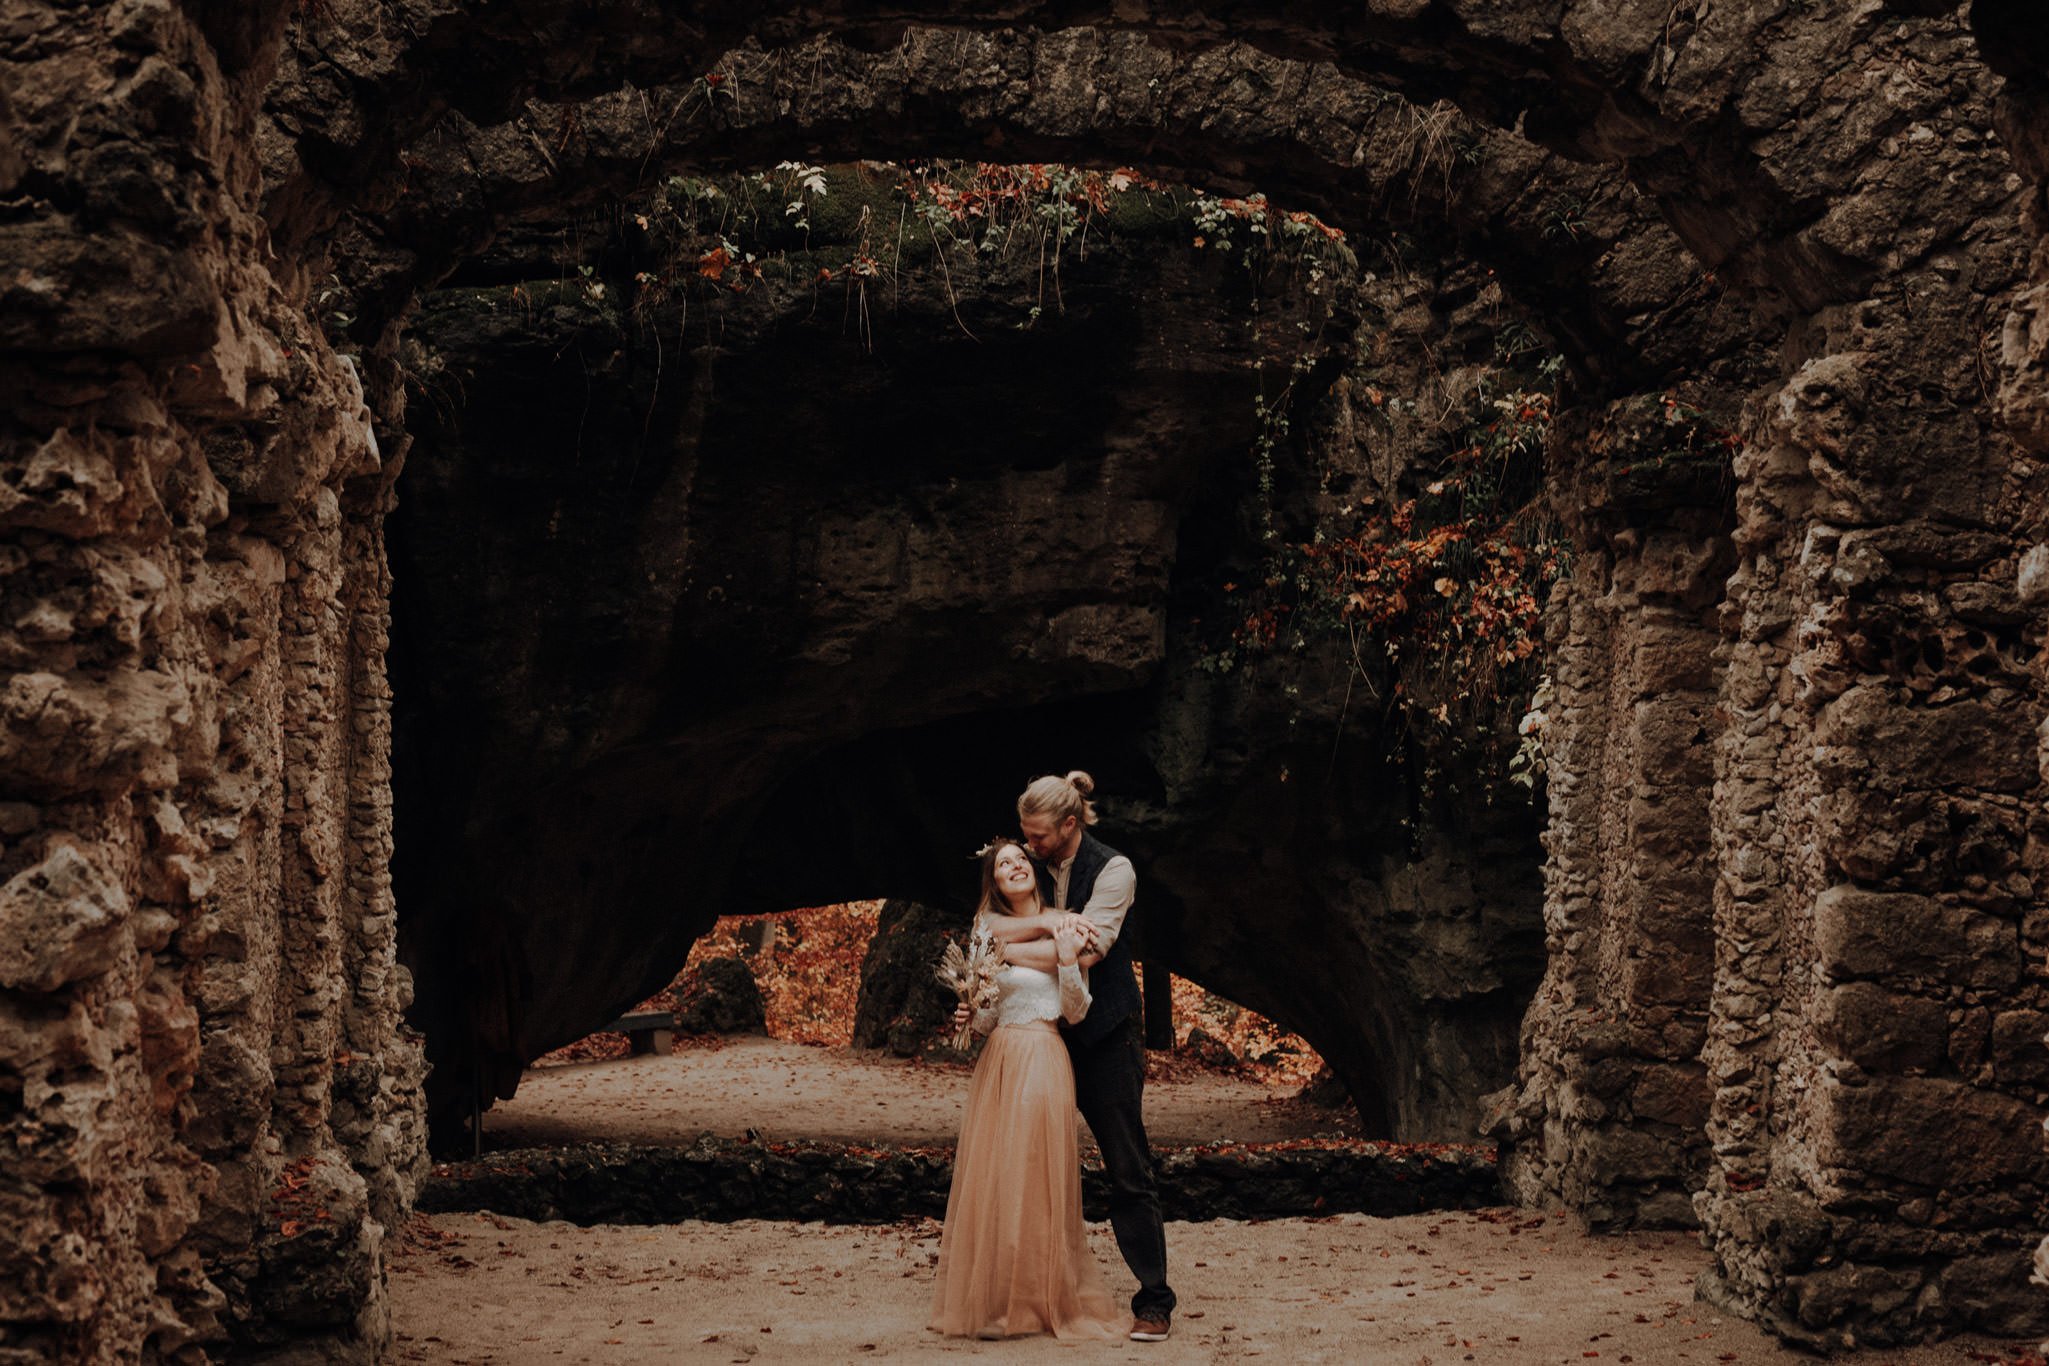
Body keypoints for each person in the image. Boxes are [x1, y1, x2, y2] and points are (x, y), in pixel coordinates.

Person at [982, 770, 1176, 1343]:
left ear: (1069, 825)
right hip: (1040, 1039)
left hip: (1106, 1037)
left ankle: (1155, 1302)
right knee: (1026, 1169)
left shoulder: (1115, 870)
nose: (1029, 847)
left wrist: (1013, 947)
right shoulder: (1030, 868)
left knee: (1127, 1168)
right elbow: (986, 922)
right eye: (1025, 836)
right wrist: (1046, 923)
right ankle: (1031, 1298)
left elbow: (1089, 951)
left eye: (1038, 836)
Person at [927, 839, 1126, 1342]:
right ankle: (997, 1300)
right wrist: (972, 1015)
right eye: (1001, 865)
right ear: (993, 882)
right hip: (1000, 1059)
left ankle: (1033, 1302)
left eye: (1019, 859)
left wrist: (1063, 960)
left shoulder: (1067, 928)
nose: (1012, 867)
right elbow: (991, 1015)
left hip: (1043, 1054)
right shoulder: (990, 930)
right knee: (997, 1173)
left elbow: (1076, 1009)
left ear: (1033, 871)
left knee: (1033, 1172)